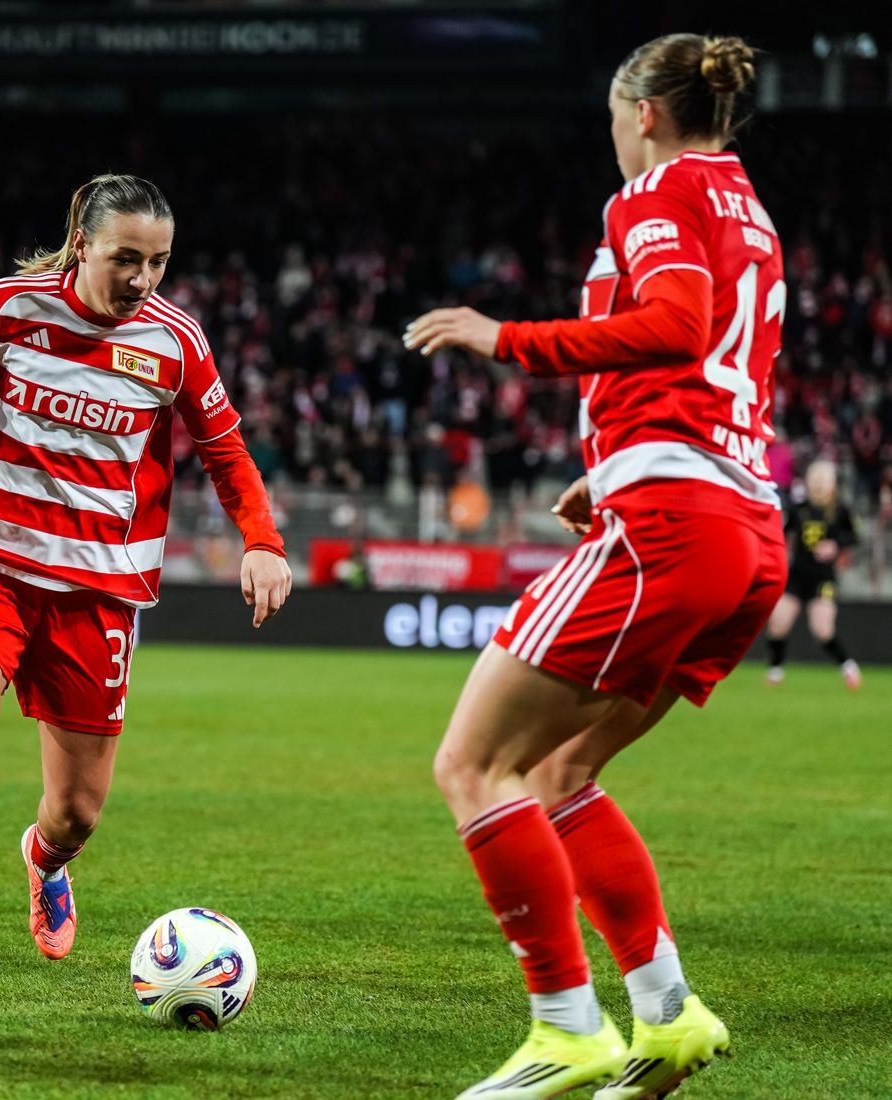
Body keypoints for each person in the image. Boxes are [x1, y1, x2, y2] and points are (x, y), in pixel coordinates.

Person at [403, 35, 783, 1100]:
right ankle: (666, 1012)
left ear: (645, 114)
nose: (614, 137)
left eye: (617, 117)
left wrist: (503, 336)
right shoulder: (746, 204)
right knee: (562, 771)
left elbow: (676, 324)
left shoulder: (654, 192)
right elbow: (722, 362)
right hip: (744, 521)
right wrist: (610, 462)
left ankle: (564, 1026)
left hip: (674, 515)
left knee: (473, 764)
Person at [0, 173, 292, 1006]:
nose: (142, 279)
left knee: (75, 813)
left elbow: (227, 453)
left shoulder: (177, 343)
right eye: (125, 259)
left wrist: (261, 542)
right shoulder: (12, 306)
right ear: (83, 245)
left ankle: (44, 860)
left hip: (98, 594)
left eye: (159, 262)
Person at [766, 460, 862, 689]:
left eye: (824, 480)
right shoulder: (800, 509)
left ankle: (847, 666)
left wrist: (835, 546)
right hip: (797, 575)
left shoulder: (840, 511)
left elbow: (853, 537)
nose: (819, 485)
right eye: (815, 480)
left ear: (832, 485)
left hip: (823, 578)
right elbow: (782, 533)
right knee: (777, 624)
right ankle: (775, 671)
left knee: (822, 630)